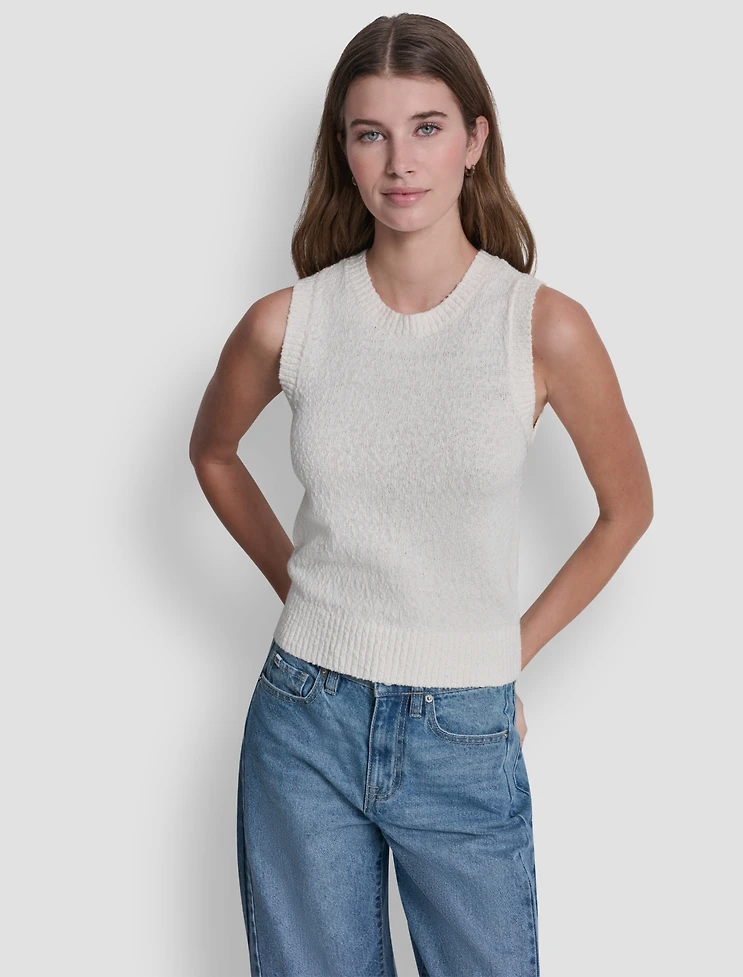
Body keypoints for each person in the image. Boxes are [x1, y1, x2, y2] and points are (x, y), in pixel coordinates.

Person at [189, 12, 653, 977]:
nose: (401, 161)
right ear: (344, 149)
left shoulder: (541, 328)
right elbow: (215, 454)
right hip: (302, 719)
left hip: (466, 728)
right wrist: (303, 589)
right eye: (372, 133)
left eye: (427, 127)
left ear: (476, 139)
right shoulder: (290, 322)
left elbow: (627, 510)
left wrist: (507, 652)